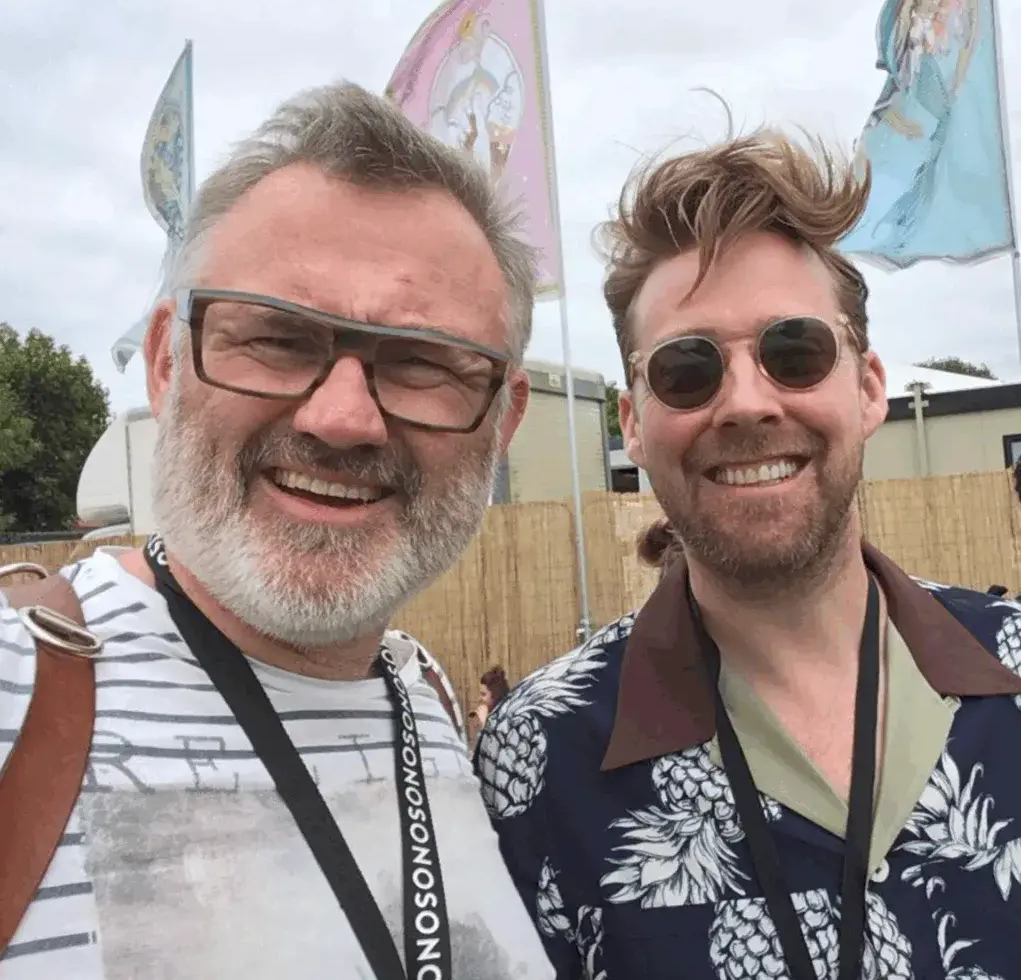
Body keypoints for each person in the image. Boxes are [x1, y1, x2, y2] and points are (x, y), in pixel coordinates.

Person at [0, 82, 554, 979]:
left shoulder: (429, 704)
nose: (343, 419)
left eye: (420, 363)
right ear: (165, 362)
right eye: (277, 340)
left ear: (503, 421)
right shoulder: (18, 690)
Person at [476, 128, 1021, 979]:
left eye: (793, 352)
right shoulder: (537, 756)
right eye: (688, 370)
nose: (745, 403)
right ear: (631, 424)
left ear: (868, 386)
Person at [468, 666, 511, 746]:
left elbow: (495, 749)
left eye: (483, 694)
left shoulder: (506, 719)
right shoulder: (491, 717)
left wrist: (484, 723)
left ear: (495, 695)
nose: (479, 699)